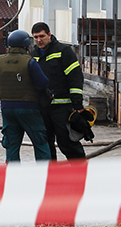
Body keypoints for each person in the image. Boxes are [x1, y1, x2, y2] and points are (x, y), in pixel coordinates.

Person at [0, 30, 52, 162]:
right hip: (29, 108)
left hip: (7, 109)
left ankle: (12, 173)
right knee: (40, 143)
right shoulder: (29, 62)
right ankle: (44, 172)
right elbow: (43, 83)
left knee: (11, 145)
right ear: (26, 45)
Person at [30, 22, 87, 160]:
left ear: (49, 35)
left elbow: (75, 78)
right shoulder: (33, 55)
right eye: (36, 37)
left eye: (42, 36)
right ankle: (50, 172)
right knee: (45, 144)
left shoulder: (64, 51)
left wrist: (77, 104)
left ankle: (80, 170)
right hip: (43, 109)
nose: (39, 40)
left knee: (67, 142)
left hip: (63, 108)